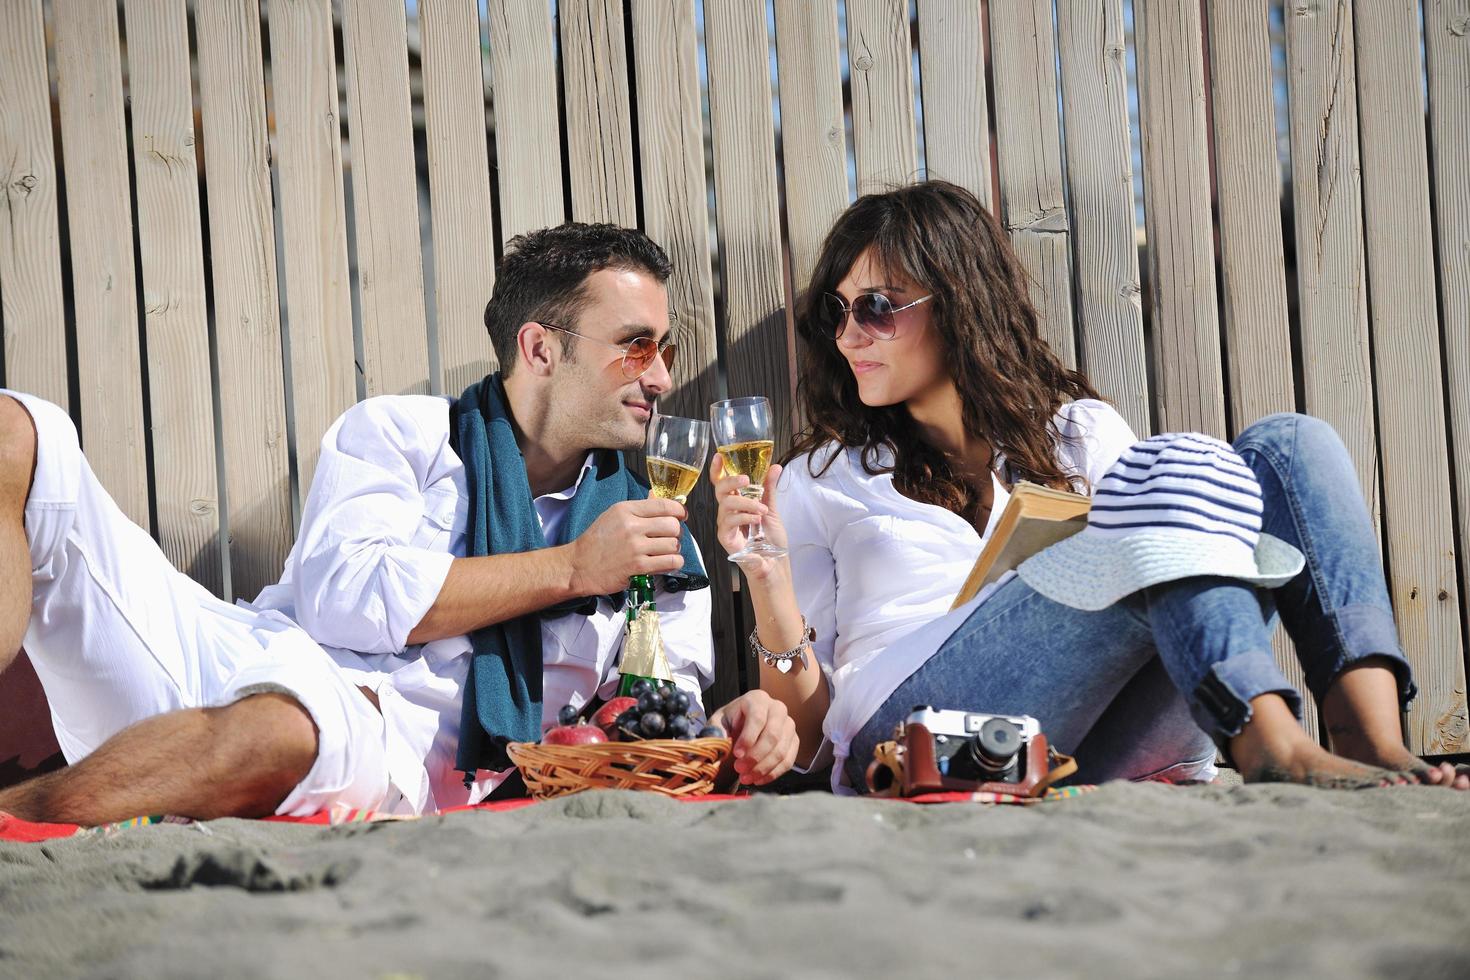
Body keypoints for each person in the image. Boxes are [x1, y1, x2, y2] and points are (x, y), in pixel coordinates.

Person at [0, 222, 797, 826]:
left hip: (371, 739)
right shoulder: (404, 435)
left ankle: (18, 821)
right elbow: (342, 598)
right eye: (635, 347)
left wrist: (736, 719)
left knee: (293, 728)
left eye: (665, 349)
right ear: (541, 349)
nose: (662, 376)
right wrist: (572, 568)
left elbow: (660, 712)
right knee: (19, 433)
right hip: (227, 649)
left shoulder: (654, 535)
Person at [710, 179, 1467, 793]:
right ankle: (1264, 735)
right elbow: (807, 742)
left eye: (877, 307)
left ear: (961, 303)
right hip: (917, 732)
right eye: (837, 312)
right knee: (1169, 476)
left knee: (1291, 445)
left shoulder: (1080, 433)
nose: (848, 335)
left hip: (1102, 739)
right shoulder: (823, 476)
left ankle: (1372, 741)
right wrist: (770, 581)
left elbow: (1178, 558)